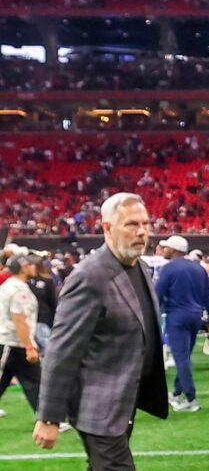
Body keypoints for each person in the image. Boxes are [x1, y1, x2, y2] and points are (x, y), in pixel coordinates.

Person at [33, 193, 168, 467]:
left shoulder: (138, 265)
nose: (142, 231)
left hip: (124, 401)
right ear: (107, 228)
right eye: (132, 224)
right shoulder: (89, 275)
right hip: (98, 407)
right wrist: (48, 417)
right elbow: (62, 349)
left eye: (145, 223)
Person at [156, 235, 209, 412]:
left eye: (167, 247)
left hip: (177, 316)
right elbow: (208, 297)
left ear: (174, 250)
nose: (164, 250)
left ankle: (191, 398)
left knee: (181, 358)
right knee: (184, 357)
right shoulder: (198, 268)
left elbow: (157, 294)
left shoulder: (169, 268)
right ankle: (176, 392)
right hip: (196, 317)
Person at [0, 254, 41, 416]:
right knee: (35, 381)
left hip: (11, 341)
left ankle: (46, 417)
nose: (34, 267)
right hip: (14, 342)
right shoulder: (18, 289)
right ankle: (46, 418)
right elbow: (19, 319)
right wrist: (29, 347)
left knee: (5, 379)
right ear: (24, 267)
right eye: (30, 264)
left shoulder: (7, 285)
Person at [25, 256, 59, 356]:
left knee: (45, 344)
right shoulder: (25, 282)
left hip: (43, 318)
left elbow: (52, 301)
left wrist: (54, 319)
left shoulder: (47, 281)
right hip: (28, 318)